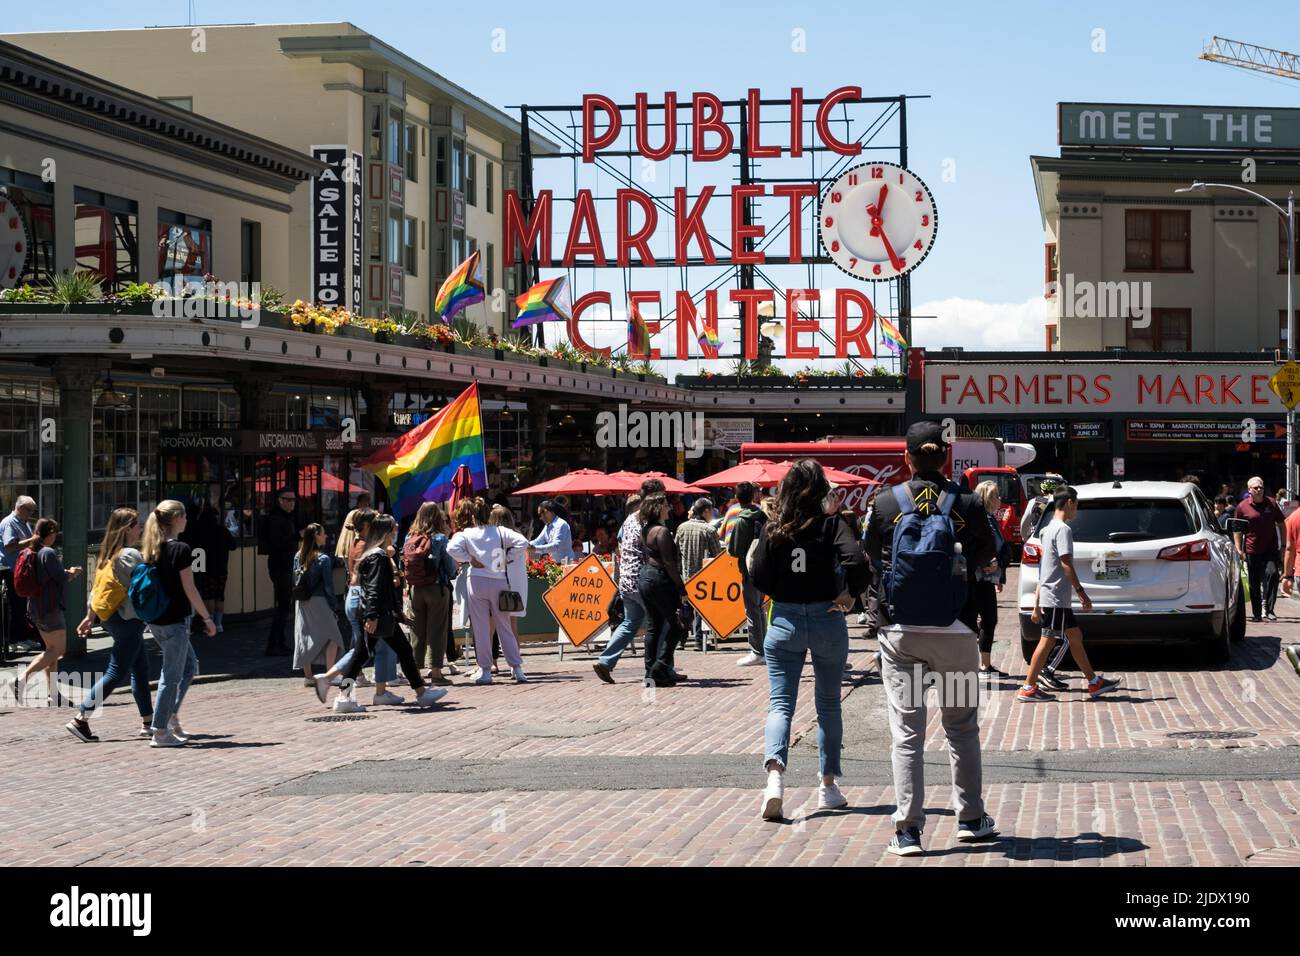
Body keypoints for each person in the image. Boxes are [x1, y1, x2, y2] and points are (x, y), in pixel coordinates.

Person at [863, 422, 1000, 856]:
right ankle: (972, 819)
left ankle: (908, 831)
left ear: (907, 458)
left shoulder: (885, 503)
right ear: (945, 459)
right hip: (956, 632)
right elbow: (991, 550)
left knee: (907, 732)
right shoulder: (968, 502)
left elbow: (871, 553)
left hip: (902, 635)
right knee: (961, 728)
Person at [750, 460, 872, 820]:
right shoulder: (831, 524)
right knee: (829, 704)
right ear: (821, 490)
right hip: (826, 616)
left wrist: (781, 593)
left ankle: (774, 778)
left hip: (785, 618)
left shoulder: (773, 527)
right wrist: (850, 594)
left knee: (780, 704)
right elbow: (858, 562)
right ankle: (828, 786)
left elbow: (758, 574)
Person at [314, 514, 447, 709]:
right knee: (361, 654)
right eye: (393, 528)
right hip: (377, 615)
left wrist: (395, 613)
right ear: (385, 532)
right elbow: (374, 588)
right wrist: (372, 615)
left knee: (398, 650)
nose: (396, 532)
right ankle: (344, 696)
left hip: (382, 614)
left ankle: (421, 692)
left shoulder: (374, 553)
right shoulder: (378, 556)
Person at [1023, 486, 1123, 703]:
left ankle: (1094, 682)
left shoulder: (1047, 529)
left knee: (1075, 636)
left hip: (1054, 596)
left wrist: (1038, 601)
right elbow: (1065, 563)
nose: (1076, 509)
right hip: (1057, 596)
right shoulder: (1063, 530)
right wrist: (1081, 592)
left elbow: (1045, 567)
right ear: (1068, 502)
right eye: (1076, 504)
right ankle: (1028, 688)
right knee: (1048, 640)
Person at [68, 507, 153, 742]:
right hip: (128, 620)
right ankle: (80, 718)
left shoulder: (107, 555)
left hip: (113, 619)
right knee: (116, 671)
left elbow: (96, 591)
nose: (140, 530)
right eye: (137, 526)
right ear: (128, 529)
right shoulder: (129, 555)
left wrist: (89, 616)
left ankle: (148, 723)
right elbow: (147, 583)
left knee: (140, 669)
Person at [140, 500, 217, 748]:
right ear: (176, 518)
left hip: (156, 620)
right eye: (184, 516)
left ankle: (169, 714)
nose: (187, 520)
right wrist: (207, 618)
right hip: (175, 619)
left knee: (188, 666)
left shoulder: (150, 548)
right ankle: (160, 730)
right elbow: (190, 588)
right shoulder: (181, 549)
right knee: (171, 675)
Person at [447, 498, 530, 684]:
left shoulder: (467, 533)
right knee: (504, 626)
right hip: (499, 580)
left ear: (474, 517)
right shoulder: (500, 531)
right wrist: (508, 557)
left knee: (481, 627)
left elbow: (451, 548)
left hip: (476, 581)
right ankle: (516, 668)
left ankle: (485, 670)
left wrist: (468, 558)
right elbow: (522, 542)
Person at [593, 483, 655, 683]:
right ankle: (659, 667)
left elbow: (620, 548)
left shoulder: (626, 522)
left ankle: (605, 660)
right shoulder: (644, 522)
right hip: (642, 579)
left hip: (626, 579)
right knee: (660, 623)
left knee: (630, 622)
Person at [18, 518, 83, 706]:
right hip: (50, 607)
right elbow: (60, 578)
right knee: (58, 650)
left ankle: (53, 694)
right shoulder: (48, 552)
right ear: (51, 533)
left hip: (35, 606)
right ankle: (22, 679)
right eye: (55, 532)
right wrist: (72, 573)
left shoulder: (31, 551)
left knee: (50, 651)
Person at [636, 493, 689, 687]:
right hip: (659, 578)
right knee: (676, 625)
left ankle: (650, 672)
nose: (669, 508)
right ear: (658, 509)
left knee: (654, 626)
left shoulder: (645, 530)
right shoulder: (662, 532)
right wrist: (681, 587)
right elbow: (668, 562)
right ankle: (660, 666)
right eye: (666, 505)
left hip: (645, 577)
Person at [403, 502, 458, 685]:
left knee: (416, 631)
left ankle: (416, 672)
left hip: (415, 589)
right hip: (436, 588)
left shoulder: (409, 537)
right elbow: (450, 569)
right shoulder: (440, 539)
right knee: (437, 630)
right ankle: (435, 673)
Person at [292, 523, 345, 686]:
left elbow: (295, 580)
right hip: (320, 600)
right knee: (333, 637)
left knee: (305, 635)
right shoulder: (323, 559)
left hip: (302, 601)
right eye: (323, 534)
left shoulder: (298, 555)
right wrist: (334, 606)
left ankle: (308, 677)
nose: (326, 536)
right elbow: (329, 586)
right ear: (316, 536)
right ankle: (330, 675)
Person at [727, 482, 768, 667]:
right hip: (763, 567)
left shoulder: (741, 520)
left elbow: (734, 549)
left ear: (737, 498)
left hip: (748, 569)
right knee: (760, 609)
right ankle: (765, 648)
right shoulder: (762, 515)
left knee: (752, 610)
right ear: (753, 496)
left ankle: (757, 651)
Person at [971, 480, 1009, 678]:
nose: (999, 499)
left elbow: (1001, 549)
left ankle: (983, 664)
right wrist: (993, 564)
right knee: (986, 620)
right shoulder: (982, 519)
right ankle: (983, 665)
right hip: (979, 578)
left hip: (986, 578)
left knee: (985, 620)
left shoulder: (989, 519)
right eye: (995, 496)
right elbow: (989, 548)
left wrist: (999, 572)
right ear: (987, 498)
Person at [1234, 477, 1286, 623]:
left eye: (1261, 487)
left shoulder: (1272, 503)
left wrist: (1283, 545)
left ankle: (1269, 610)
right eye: (1256, 487)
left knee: (1273, 574)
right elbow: (1237, 530)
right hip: (1252, 550)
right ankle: (1257, 613)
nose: (1259, 490)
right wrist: (1239, 549)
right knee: (1254, 582)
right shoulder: (1242, 507)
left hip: (1270, 549)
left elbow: (1282, 524)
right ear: (1249, 490)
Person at [675, 497, 721, 651]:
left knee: (685, 608)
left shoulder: (681, 527)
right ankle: (699, 640)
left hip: (685, 576)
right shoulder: (709, 530)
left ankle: (681, 639)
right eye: (711, 510)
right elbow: (717, 555)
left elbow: (675, 551)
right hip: (703, 576)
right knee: (700, 608)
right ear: (706, 511)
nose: (713, 513)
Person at [184, 501, 233, 634]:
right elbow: (233, 545)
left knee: (208, 595)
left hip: (204, 567)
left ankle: (209, 623)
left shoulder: (199, 530)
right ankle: (218, 624)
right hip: (222, 567)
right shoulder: (222, 530)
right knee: (219, 596)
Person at [260, 487, 298, 656]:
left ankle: (279, 642)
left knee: (284, 606)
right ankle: (273, 644)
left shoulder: (287, 518)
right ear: (280, 500)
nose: (292, 503)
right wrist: (298, 535)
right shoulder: (275, 519)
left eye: (294, 500)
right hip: (280, 566)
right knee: (282, 606)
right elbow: (277, 543)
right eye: (288, 499)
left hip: (286, 565)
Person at [1, 495, 41, 653]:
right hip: (11, 570)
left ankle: (23, 637)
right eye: (29, 510)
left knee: (22, 605)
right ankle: (14, 640)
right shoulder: (9, 523)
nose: (31, 513)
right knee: (15, 606)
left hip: (21, 570)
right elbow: (10, 546)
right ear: (20, 508)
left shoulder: (23, 522)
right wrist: (33, 540)